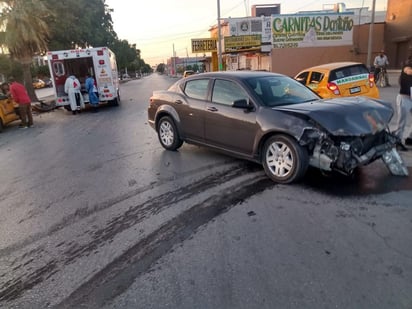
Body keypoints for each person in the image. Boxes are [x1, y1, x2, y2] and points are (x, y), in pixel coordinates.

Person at [392, 60, 412, 151]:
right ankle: (397, 141)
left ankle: (410, 138)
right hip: (404, 99)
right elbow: (409, 71)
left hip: (411, 98)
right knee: (402, 122)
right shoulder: (407, 66)